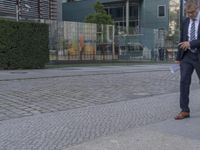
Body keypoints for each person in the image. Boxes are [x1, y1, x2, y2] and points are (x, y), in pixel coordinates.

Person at [175, 0, 200, 120]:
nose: (190, 15)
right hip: (187, 57)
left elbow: (188, 41)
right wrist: (178, 58)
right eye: (187, 12)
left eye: (192, 12)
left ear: (198, 8)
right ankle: (184, 110)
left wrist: (190, 43)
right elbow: (182, 39)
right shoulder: (185, 22)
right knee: (184, 82)